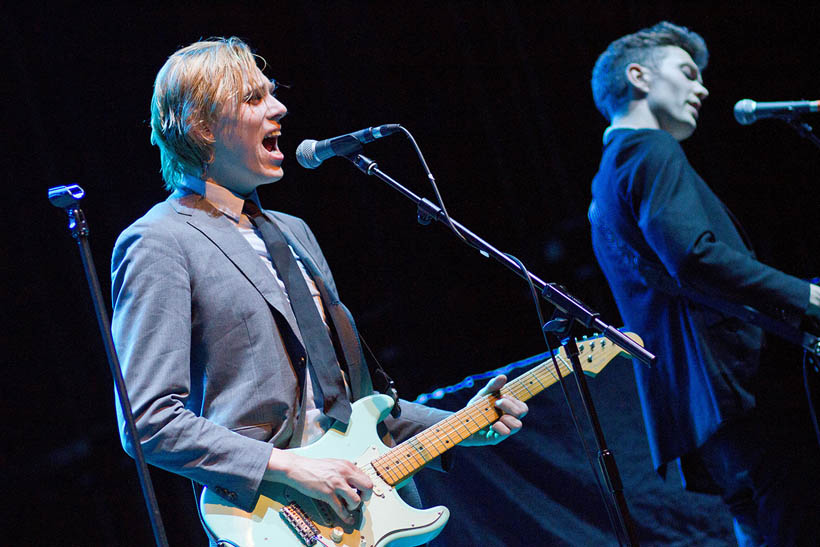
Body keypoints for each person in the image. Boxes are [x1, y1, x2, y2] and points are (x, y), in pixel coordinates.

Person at [111, 36, 527, 544]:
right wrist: (289, 468)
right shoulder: (159, 241)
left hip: (364, 514)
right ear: (200, 126)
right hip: (274, 520)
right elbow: (147, 422)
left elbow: (356, 407)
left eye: (272, 93)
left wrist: (463, 424)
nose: (279, 108)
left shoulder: (294, 232)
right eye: (252, 98)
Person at [588, 21, 820, 546]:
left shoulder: (607, 177)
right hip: (738, 389)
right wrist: (809, 296)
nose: (703, 88)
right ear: (639, 76)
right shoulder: (650, 149)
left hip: (699, 408)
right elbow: (694, 258)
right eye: (688, 73)